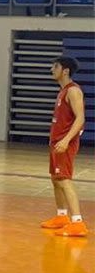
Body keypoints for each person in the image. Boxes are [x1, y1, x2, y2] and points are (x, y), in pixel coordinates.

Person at [39, 56, 87, 237]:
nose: (52, 69)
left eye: (55, 66)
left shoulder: (73, 91)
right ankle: (61, 216)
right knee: (55, 179)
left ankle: (78, 223)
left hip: (64, 143)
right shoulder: (63, 91)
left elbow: (80, 119)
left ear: (65, 71)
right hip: (57, 142)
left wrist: (66, 140)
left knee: (64, 179)